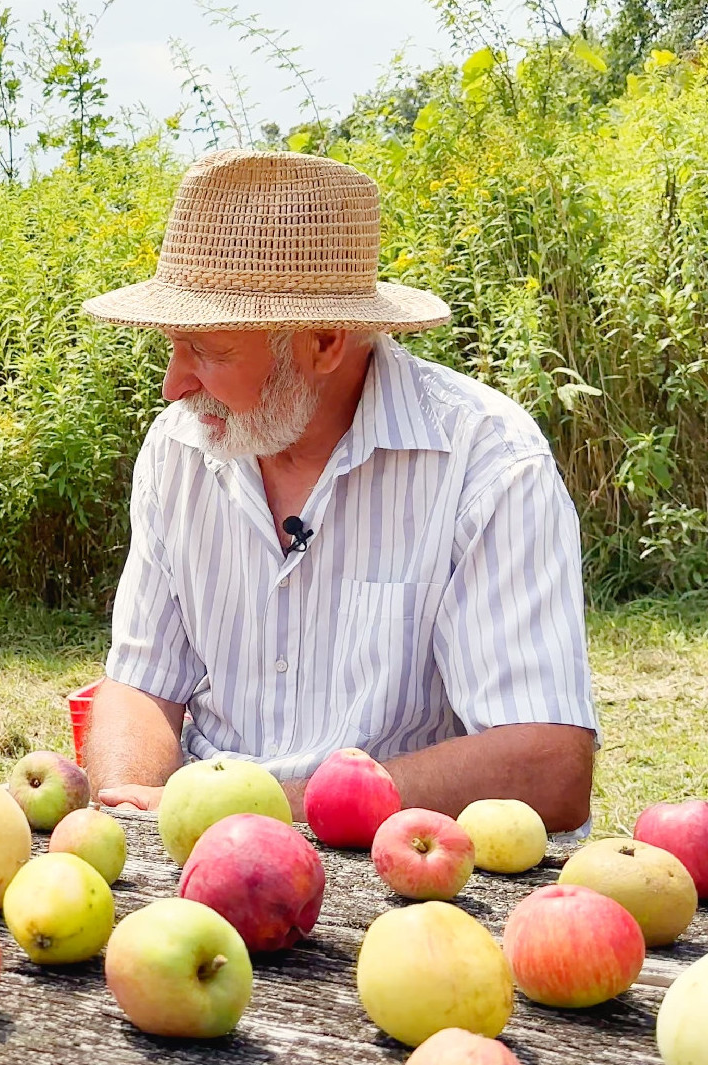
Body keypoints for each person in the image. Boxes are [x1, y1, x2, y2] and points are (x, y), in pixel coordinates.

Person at [80, 149, 598, 835]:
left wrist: (264, 812)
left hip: (399, 873)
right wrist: (130, 809)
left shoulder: (487, 461)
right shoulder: (180, 448)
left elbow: (547, 767)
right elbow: (142, 681)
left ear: (323, 341)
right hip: (200, 856)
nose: (173, 385)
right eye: (173, 348)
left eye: (204, 350)